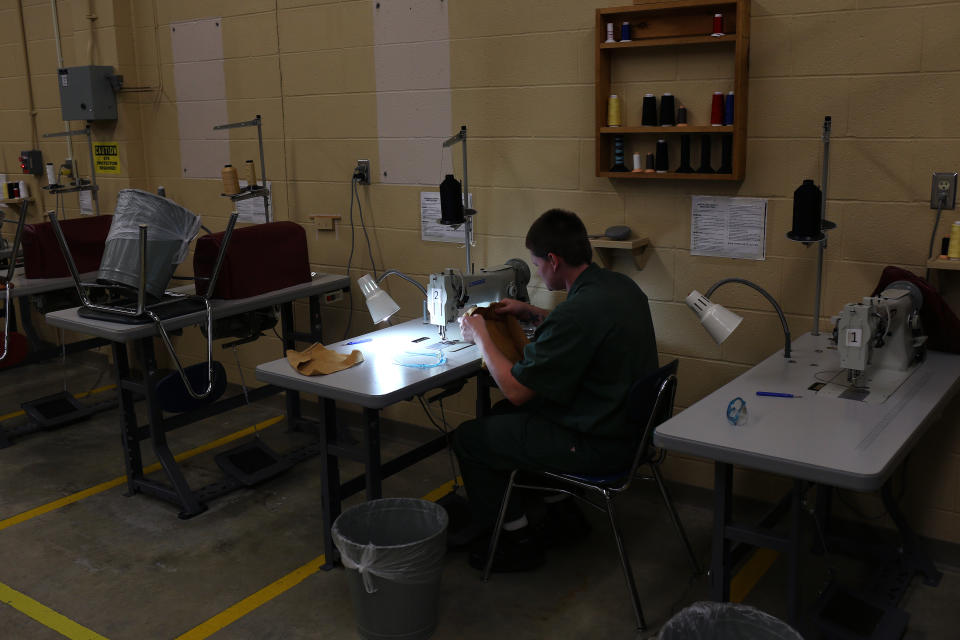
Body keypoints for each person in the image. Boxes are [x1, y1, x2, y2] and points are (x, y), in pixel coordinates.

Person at [452, 208, 659, 572]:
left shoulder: (575, 313)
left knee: (473, 437)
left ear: (552, 260)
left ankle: (518, 540)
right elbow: (585, 328)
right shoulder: (618, 287)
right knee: (506, 420)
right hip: (631, 431)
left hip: (599, 444)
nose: (537, 271)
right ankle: (563, 515)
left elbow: (515, 389)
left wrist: (480, 335)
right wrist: (529, 312)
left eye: (536, 263)